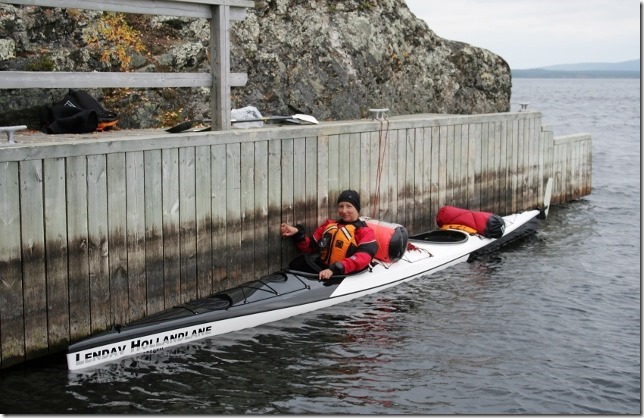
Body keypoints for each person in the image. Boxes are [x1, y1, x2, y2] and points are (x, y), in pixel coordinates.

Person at [280, 190, 378, 280]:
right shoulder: (329, 225)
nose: (344, 211)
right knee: (297, 262)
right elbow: (308, 247)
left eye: (349, 206)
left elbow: (362, 258)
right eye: (341, 206)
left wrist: (334, 269)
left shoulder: (365, 232)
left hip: (343, 273)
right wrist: (297, 232)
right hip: (323, 270)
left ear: (357, 208)